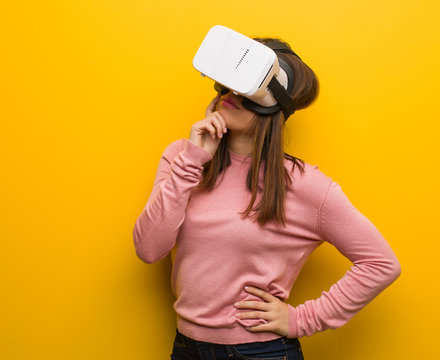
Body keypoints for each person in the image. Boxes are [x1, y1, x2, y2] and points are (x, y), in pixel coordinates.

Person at [132, 37, 401, 360]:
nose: (229, 96)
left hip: (262, 353)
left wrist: (302, 319)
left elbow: (381, 263)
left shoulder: (303, 184)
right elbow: (149, 249)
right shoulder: (182, 157)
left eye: (244, 91)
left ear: (273, 103)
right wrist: (192, 162)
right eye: (228, 88)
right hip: (187, 347)